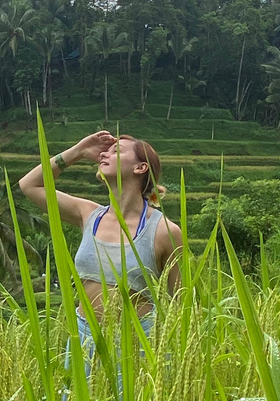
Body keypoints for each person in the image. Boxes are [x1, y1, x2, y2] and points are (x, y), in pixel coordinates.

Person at [19, 131, 183, 399]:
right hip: (84, 335)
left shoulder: (164, 231)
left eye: (117, 151)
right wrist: (79, 151)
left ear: (140, 167)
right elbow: (29, 185)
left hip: (135, 340)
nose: (106, 153)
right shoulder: (89, 214)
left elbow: (180, 302)